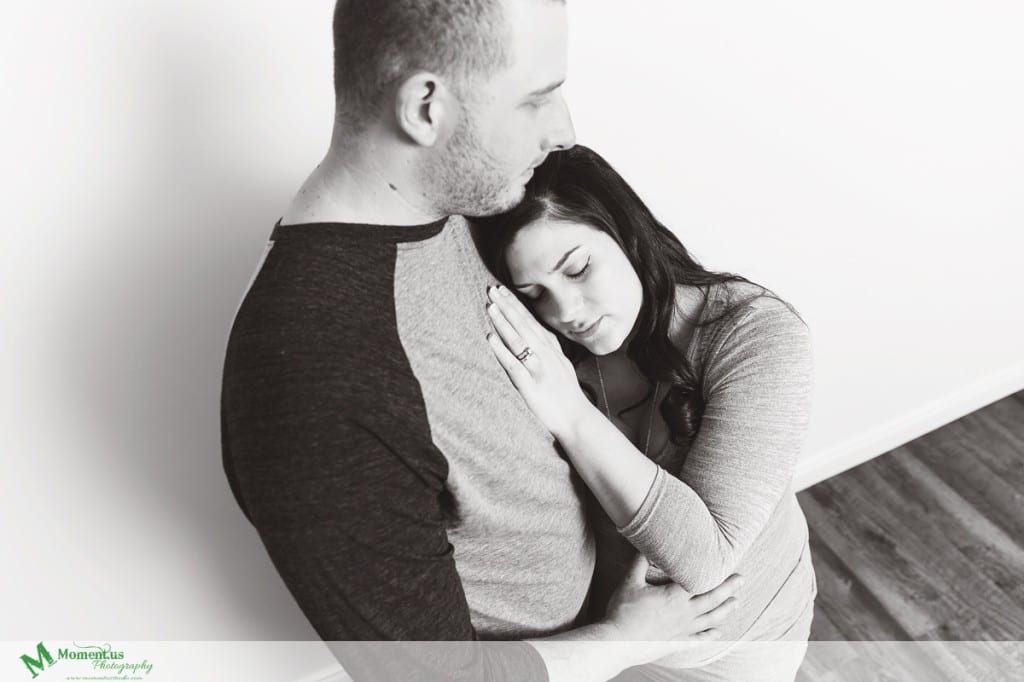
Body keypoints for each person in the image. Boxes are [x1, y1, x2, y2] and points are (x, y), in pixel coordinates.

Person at [220, 2, 741, 680]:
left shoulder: (457, 210)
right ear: (427, 108)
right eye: (536, 99)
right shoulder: (318, 378)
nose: (565, 131)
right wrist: (623, 643)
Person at [476, 144, 817, 681]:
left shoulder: (756, 334)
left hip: (741, 651)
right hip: (610, 644)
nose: (566, 313)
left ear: (628, 234)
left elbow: (706, 559)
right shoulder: (548, 351)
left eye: (579, 268)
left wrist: (570, 413)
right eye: (535, 293)